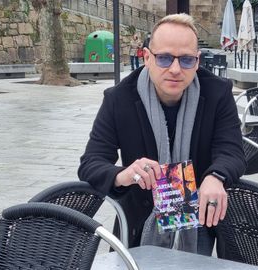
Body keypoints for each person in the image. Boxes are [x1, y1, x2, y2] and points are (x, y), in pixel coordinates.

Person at [78, 13, 245, 255]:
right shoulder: (119, 99)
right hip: (137, 226)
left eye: (186, 60)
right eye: (164, 58)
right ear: (147, 57)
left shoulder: (218, 93)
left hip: (199, 222)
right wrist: (123, 174)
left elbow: (232, 152)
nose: (176, 69)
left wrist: (216, 176)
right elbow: (91, 163)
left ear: (197, 62)